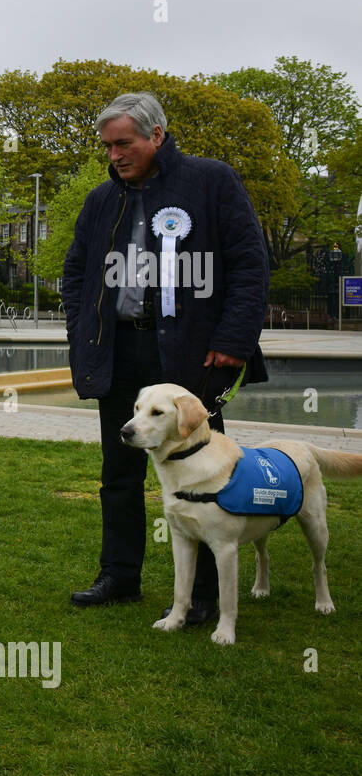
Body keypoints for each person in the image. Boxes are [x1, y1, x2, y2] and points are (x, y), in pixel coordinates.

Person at [62, 91, 268, 622]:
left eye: (123, 143)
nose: (114, 155)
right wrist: (81, 330)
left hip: (193, 354)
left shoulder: (212, 181)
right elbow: (76, 275)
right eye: (107, 146)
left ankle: (203, 596)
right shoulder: (99, 201)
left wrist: (233, 340)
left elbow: (250, 265)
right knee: (119, 472)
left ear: (156, 135)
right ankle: (119, 575)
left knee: (203, 472)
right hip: (118, 352)